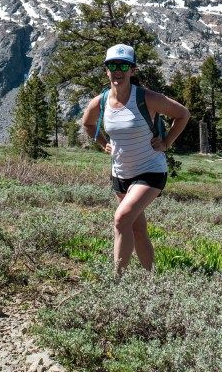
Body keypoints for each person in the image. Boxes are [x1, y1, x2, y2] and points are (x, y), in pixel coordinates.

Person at [82, 44, 190, 275]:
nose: (117, 70)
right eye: (113, 65)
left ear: (133, 70)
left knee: (121, 219)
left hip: (150, 170)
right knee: (138, 229)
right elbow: (88, 124)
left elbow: (183, 114)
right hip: (121, 174)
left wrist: (167, 142)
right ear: (106, 70)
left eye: (123, 66)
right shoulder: (101, 102)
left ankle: (117, 281)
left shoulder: (147, 98)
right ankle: (150, 279)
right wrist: (103, 143)